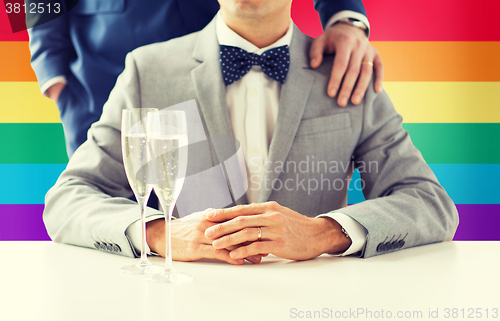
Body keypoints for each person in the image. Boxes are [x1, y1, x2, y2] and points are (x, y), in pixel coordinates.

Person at [43, 0, 458, 265]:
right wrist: (50, 68)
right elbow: (70, 199)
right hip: (100, 77)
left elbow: (429, 201)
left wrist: (326, 232)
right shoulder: (145, 70)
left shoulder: (346, 78)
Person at [28, 0, 383, 157]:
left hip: (224, 72)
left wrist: (344, 16)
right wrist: (51, 71)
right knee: (106, 225)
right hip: (100, 80)